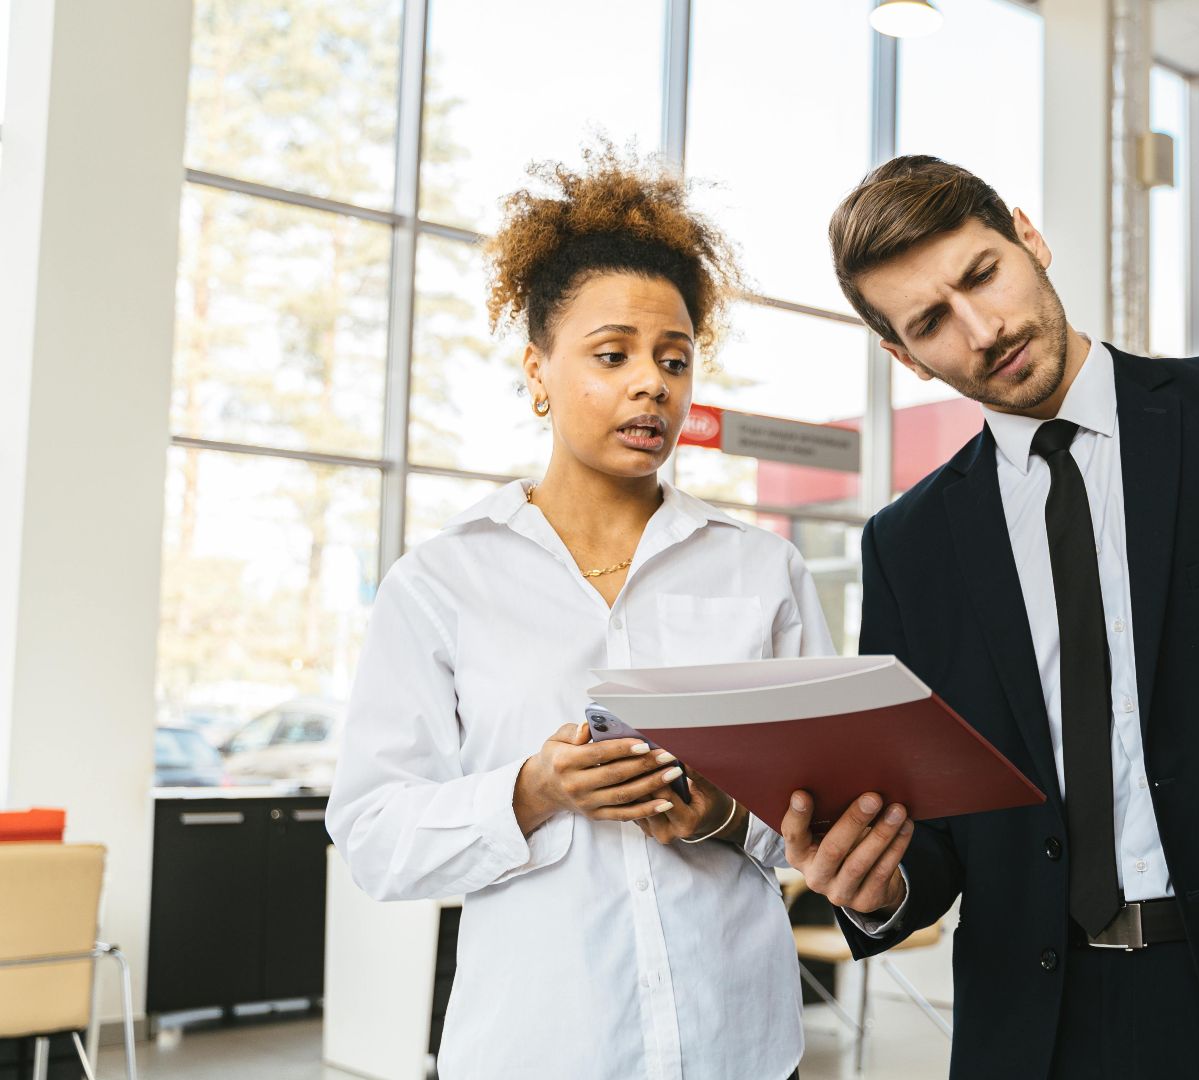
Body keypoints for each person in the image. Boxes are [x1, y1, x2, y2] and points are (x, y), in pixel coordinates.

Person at [779, 156, 1199, 1078]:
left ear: (1029, 236)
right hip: (1033, 1028)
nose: (983, 331)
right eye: (933, 322)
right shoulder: (910, 544)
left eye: (982, 274)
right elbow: (930, 831)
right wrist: (876, 882)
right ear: (904, 357)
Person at [326, 151, 828, 1080]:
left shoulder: (764, 571)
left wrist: (720, 816)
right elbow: (371, 835)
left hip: (740, 1048)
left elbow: (815, 807)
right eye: (613, 355)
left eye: (674, 361)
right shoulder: (442, 583)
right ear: (539, 371)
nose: (652, 385)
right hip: (538, 1048)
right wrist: (532, 789)